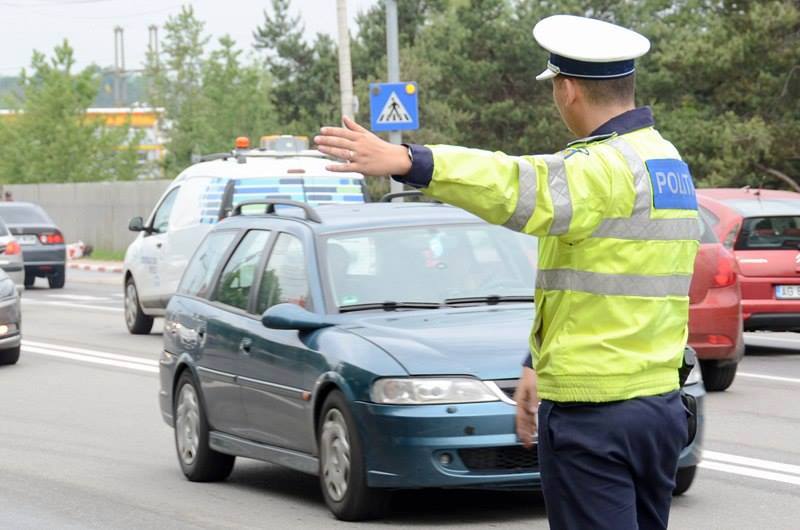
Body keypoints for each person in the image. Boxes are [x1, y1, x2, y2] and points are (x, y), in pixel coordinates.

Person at [315, 14, 698, 530]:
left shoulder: (600, 167)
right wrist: (534, 360)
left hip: (595, 412)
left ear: (567, 90)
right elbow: (603, 284)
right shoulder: (665, 161)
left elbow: (513, 184)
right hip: (657, 405)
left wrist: (410, 161)